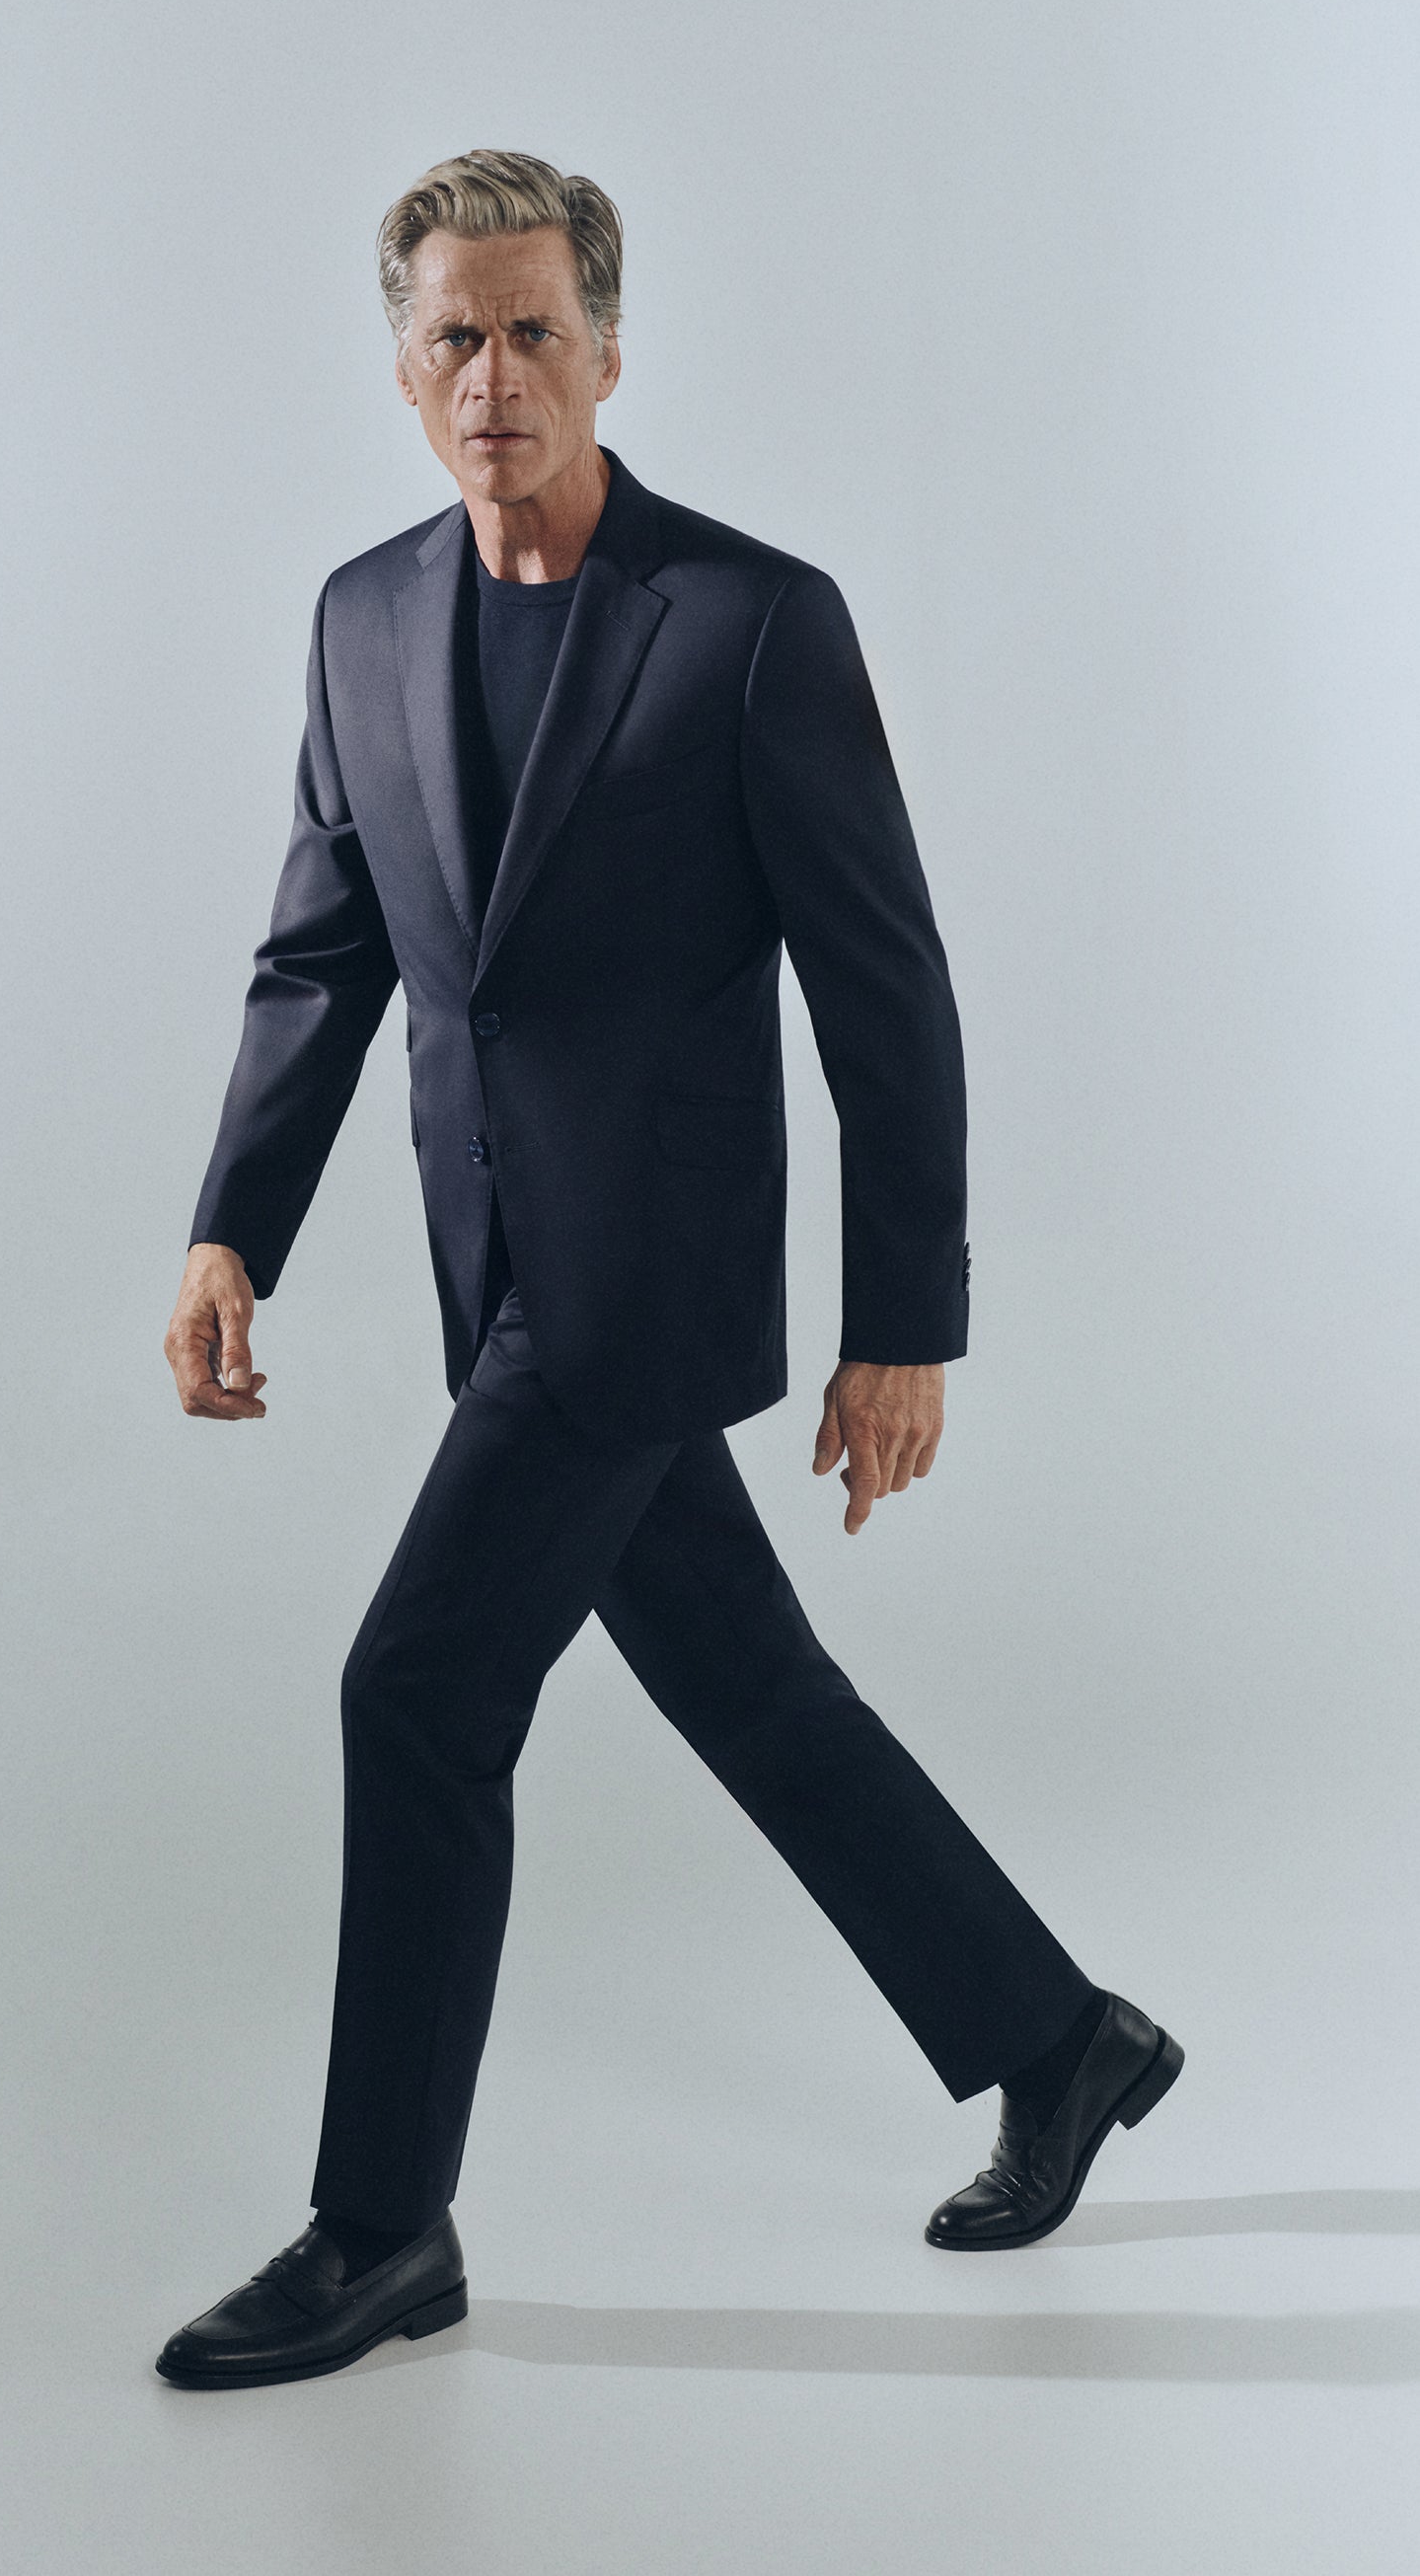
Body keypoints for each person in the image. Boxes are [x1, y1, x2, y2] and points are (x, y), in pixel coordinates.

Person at [154, 150, 1180, 2390]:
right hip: (491, 1272)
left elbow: (883, 984)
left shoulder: (746, 620)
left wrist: (902, 1323)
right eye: (453, 335)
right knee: (744, 1683)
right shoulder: (359, 618)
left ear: (609, 351)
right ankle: (1055, 2035)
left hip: (649, 1282)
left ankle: (380, 2226)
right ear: (401, 365)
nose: (492, 376)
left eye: (534, 330)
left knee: (417, 1691)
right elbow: (321, 956)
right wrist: (236, 1223)